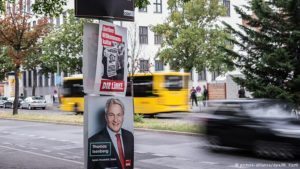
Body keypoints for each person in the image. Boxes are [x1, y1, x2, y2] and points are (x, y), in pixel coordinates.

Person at [88, 98, 134, 169]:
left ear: (123, 116)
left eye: (119, 115)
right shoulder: (93, 141)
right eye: (111, 115)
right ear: (106, 117)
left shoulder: (129, 136)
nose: (115, 120)